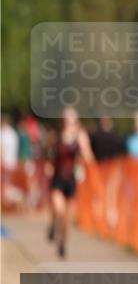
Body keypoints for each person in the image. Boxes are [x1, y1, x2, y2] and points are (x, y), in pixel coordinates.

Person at [46, 107, 95, 258]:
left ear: (76, 122)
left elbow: (88, 158)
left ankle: (62, 243)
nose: (69, 123)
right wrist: (48, 165)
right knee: (59, 210)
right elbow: (50, 153)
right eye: (66, 120)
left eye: (72, 120)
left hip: (72, 181)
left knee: (67, 218)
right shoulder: (57, 136)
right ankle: (53, 224)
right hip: (58, 179)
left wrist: (84, 155)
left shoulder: (80, 137)